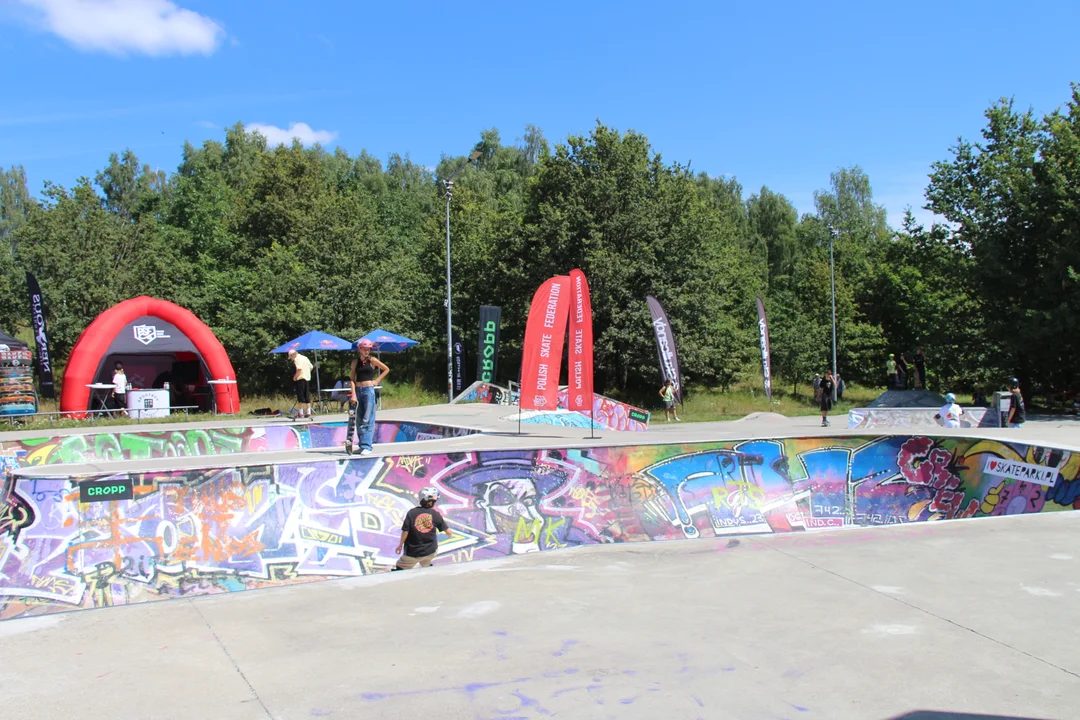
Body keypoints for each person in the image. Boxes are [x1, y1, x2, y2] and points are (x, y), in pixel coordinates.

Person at [346, 338, 389, 455]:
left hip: (368, 390)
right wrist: (353, 394)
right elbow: (352, 379)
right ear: (360, 349)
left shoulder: (372, 360)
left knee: (367, 418)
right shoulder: (355, 362)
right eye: (364, 349)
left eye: (368, 350)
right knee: (359, 419)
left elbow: (386, 369)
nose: (366, 352)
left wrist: (376, 380)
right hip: (358, 390)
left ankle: (367, 446)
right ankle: (362, 445)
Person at [394, 486, 452, 570]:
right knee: (426, 562)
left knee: (400, 567)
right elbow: (449, 533)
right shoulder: (435, 514)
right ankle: (428, 572)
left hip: (413, 553)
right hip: (430, 551)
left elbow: (405, 532)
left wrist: (400, 545)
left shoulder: (412, 513)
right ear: (431, 502)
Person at [287, 349, 314, 419]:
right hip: (307, 378)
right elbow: (311, 367)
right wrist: (307, 372)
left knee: (300, 395)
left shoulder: (297, 359)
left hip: (300, 379)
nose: (292, 359)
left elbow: (299, 369)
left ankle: (301, 413)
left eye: (291, 357)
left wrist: (295, 377)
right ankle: (308, 412)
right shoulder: (305, 358)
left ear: (293, 355)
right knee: (307, 395)